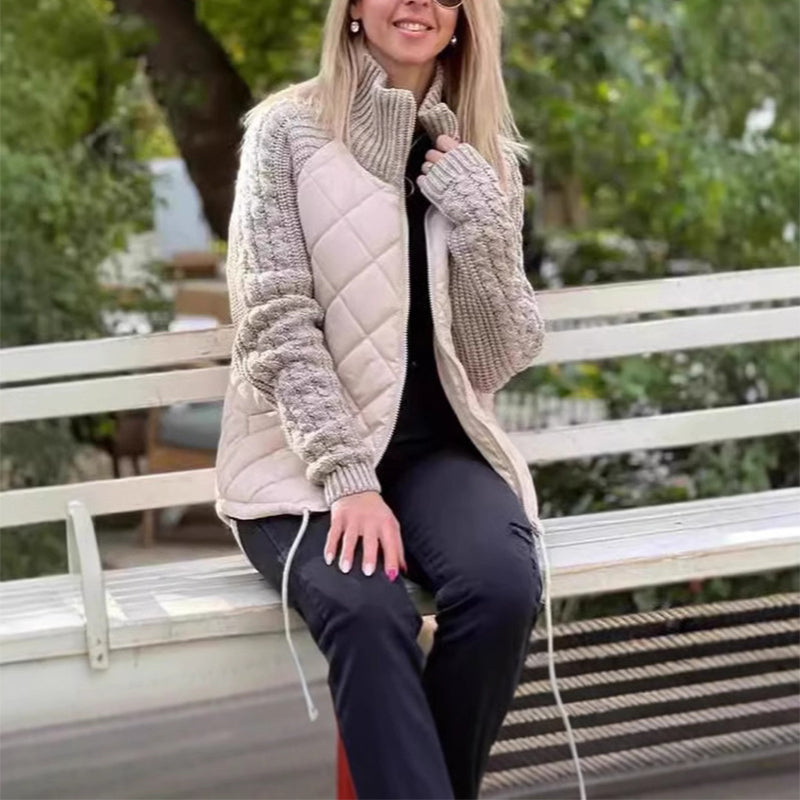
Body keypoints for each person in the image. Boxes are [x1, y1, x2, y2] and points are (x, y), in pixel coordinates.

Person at [214, 1, 562, 797]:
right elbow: (274, 321)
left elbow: (495, 357)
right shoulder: (287, 130)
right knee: (371, 614)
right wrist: (349, 478)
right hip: (299, 463)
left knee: (502, 587)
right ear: (354, 13)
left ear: (466, 19)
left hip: (438, 454)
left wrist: (482, 229)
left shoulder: (483, 155)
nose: (419, 3)